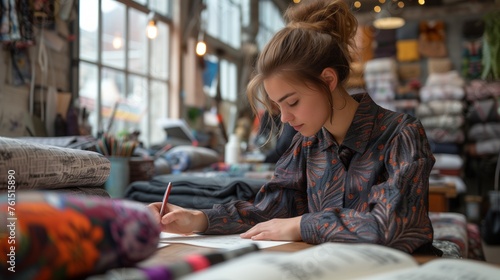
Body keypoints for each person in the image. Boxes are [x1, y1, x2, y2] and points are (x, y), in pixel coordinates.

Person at [148, 0, 437, 254]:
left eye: (293, 102)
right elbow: (270, 208)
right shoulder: (307, 144)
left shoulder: (401, 133)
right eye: (278, 107)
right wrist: (198, 218)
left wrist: (301, 225)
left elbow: (391, 226)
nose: (285, 118)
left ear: (328, 80)